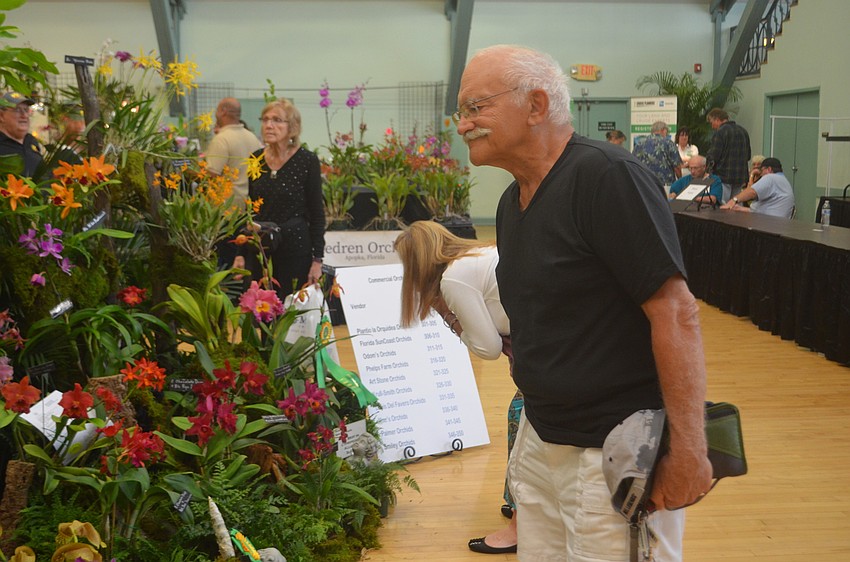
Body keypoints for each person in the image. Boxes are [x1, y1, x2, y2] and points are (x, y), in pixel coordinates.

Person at [454, 44, 711, 561]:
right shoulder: (512, 201)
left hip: (614, 449)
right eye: (461, 112)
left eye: (476, 107)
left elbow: (676, 313)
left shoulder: (607, 177)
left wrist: (688, 448)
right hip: (540, 439)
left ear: (536, 104)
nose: (463, 126)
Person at [394, 220, 519, 555]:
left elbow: (487, 348)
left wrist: (450, 319)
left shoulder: (453, 279)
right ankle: (521, 506)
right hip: (557, 340)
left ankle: (522, 523)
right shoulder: (478, 255)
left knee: (522, 425)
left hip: (549, 349)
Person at [232, 98, 325, 298]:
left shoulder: (307, 161)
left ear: (292, 127)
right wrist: (241, 253)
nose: (269, 125)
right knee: (261, 315)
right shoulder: (255, 158)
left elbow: (317, 213)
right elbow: (250, 208)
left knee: (290, 317)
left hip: (295, 249)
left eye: (276, 120)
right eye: (265, 119)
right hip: (260, 250)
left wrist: (317, 260)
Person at [206, 97, 263, 268]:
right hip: (249, 209)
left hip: (226, 211)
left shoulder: (222, 139)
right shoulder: (252, 137)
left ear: (222, 111)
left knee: (226, 260)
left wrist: (189, 172)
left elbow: (212, 174)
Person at [719, 156, 795, 218]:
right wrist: (741, 208)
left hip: (768, 225)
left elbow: (752, 192)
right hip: (772, 221)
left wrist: (733, 201)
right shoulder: (782, 180)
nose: (761, 174)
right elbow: (765, 209)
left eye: (762, 170)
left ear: (769, 169)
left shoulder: (771, 178)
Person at [705, 107, 751, 203]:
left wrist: (707, 171)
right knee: (736, 206)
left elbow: (713, 156)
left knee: (722, 207)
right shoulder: (743, 131)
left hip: (723, 177)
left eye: (711, 123)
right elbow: (748, 156)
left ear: (717, 120)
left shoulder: (720, 133)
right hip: (740, 177)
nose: (712, 126)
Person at [0, 91, 44, 179]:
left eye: (26, 110)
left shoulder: (32, 142)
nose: (24, 115)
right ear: (1, 116)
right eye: (17, 110)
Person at [631, 120, 682, 186]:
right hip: (664, 183)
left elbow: (634, 163)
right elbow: (677, 166)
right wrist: (680, 180)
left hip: (644, 182)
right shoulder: (668, 143)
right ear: (663, 130)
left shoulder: (639, 143)